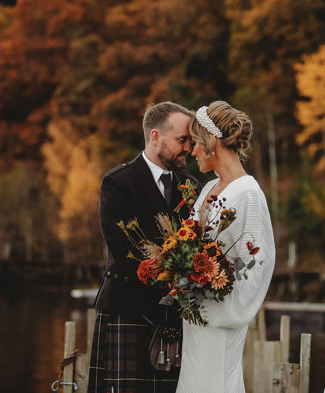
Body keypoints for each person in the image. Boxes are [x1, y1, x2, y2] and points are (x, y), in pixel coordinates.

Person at [88, 102, 201, 393]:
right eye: (181, 140)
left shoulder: (191, 186)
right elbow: (126, 251)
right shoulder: (118, 182)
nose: (188, 147)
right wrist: (173, 285)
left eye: (190, 141)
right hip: (129, 308)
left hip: (174, 315)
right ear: (155, 137)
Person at [175, 101, 275, 393]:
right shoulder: (208, 188)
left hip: (220, 319)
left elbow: (258, 262)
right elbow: (190, 244)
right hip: (195, 318)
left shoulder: (249, 194)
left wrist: (220, 302)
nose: (192, 152)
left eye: (196, 143)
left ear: (212, 141)